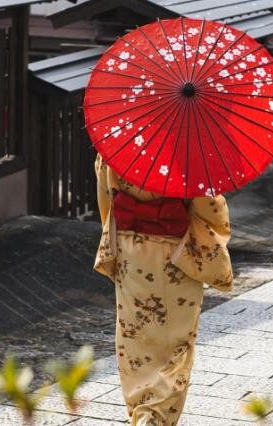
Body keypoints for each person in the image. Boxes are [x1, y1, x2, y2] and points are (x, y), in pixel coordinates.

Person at [93, 153, 234, 426]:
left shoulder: (116, 143)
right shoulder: (189, 150)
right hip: (175, 254)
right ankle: (153, 417)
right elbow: (209, 207)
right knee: (176, 345)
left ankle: (139, 409)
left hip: (130, 250)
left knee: (134, 339)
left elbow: (105, 196)